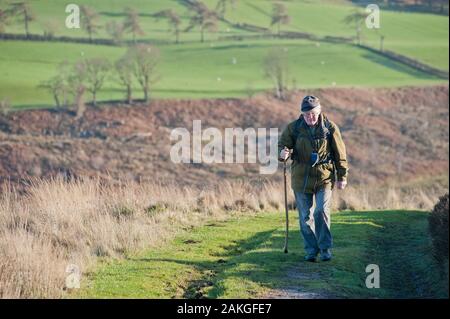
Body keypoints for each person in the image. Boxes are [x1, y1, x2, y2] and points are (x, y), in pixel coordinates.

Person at [278, 95, 348, 262]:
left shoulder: (330, 128)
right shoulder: (293, 128)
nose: (310, 117)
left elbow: (340, 154)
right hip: (300, 178)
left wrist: (342, 176)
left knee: (321, 211)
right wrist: (283, 154)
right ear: (302, 114)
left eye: (314, 114)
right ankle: (311, 250)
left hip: (325, 177)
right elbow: (282, 146)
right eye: (307, 114)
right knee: (305, 217)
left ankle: (325, 249)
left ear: (320, 111)